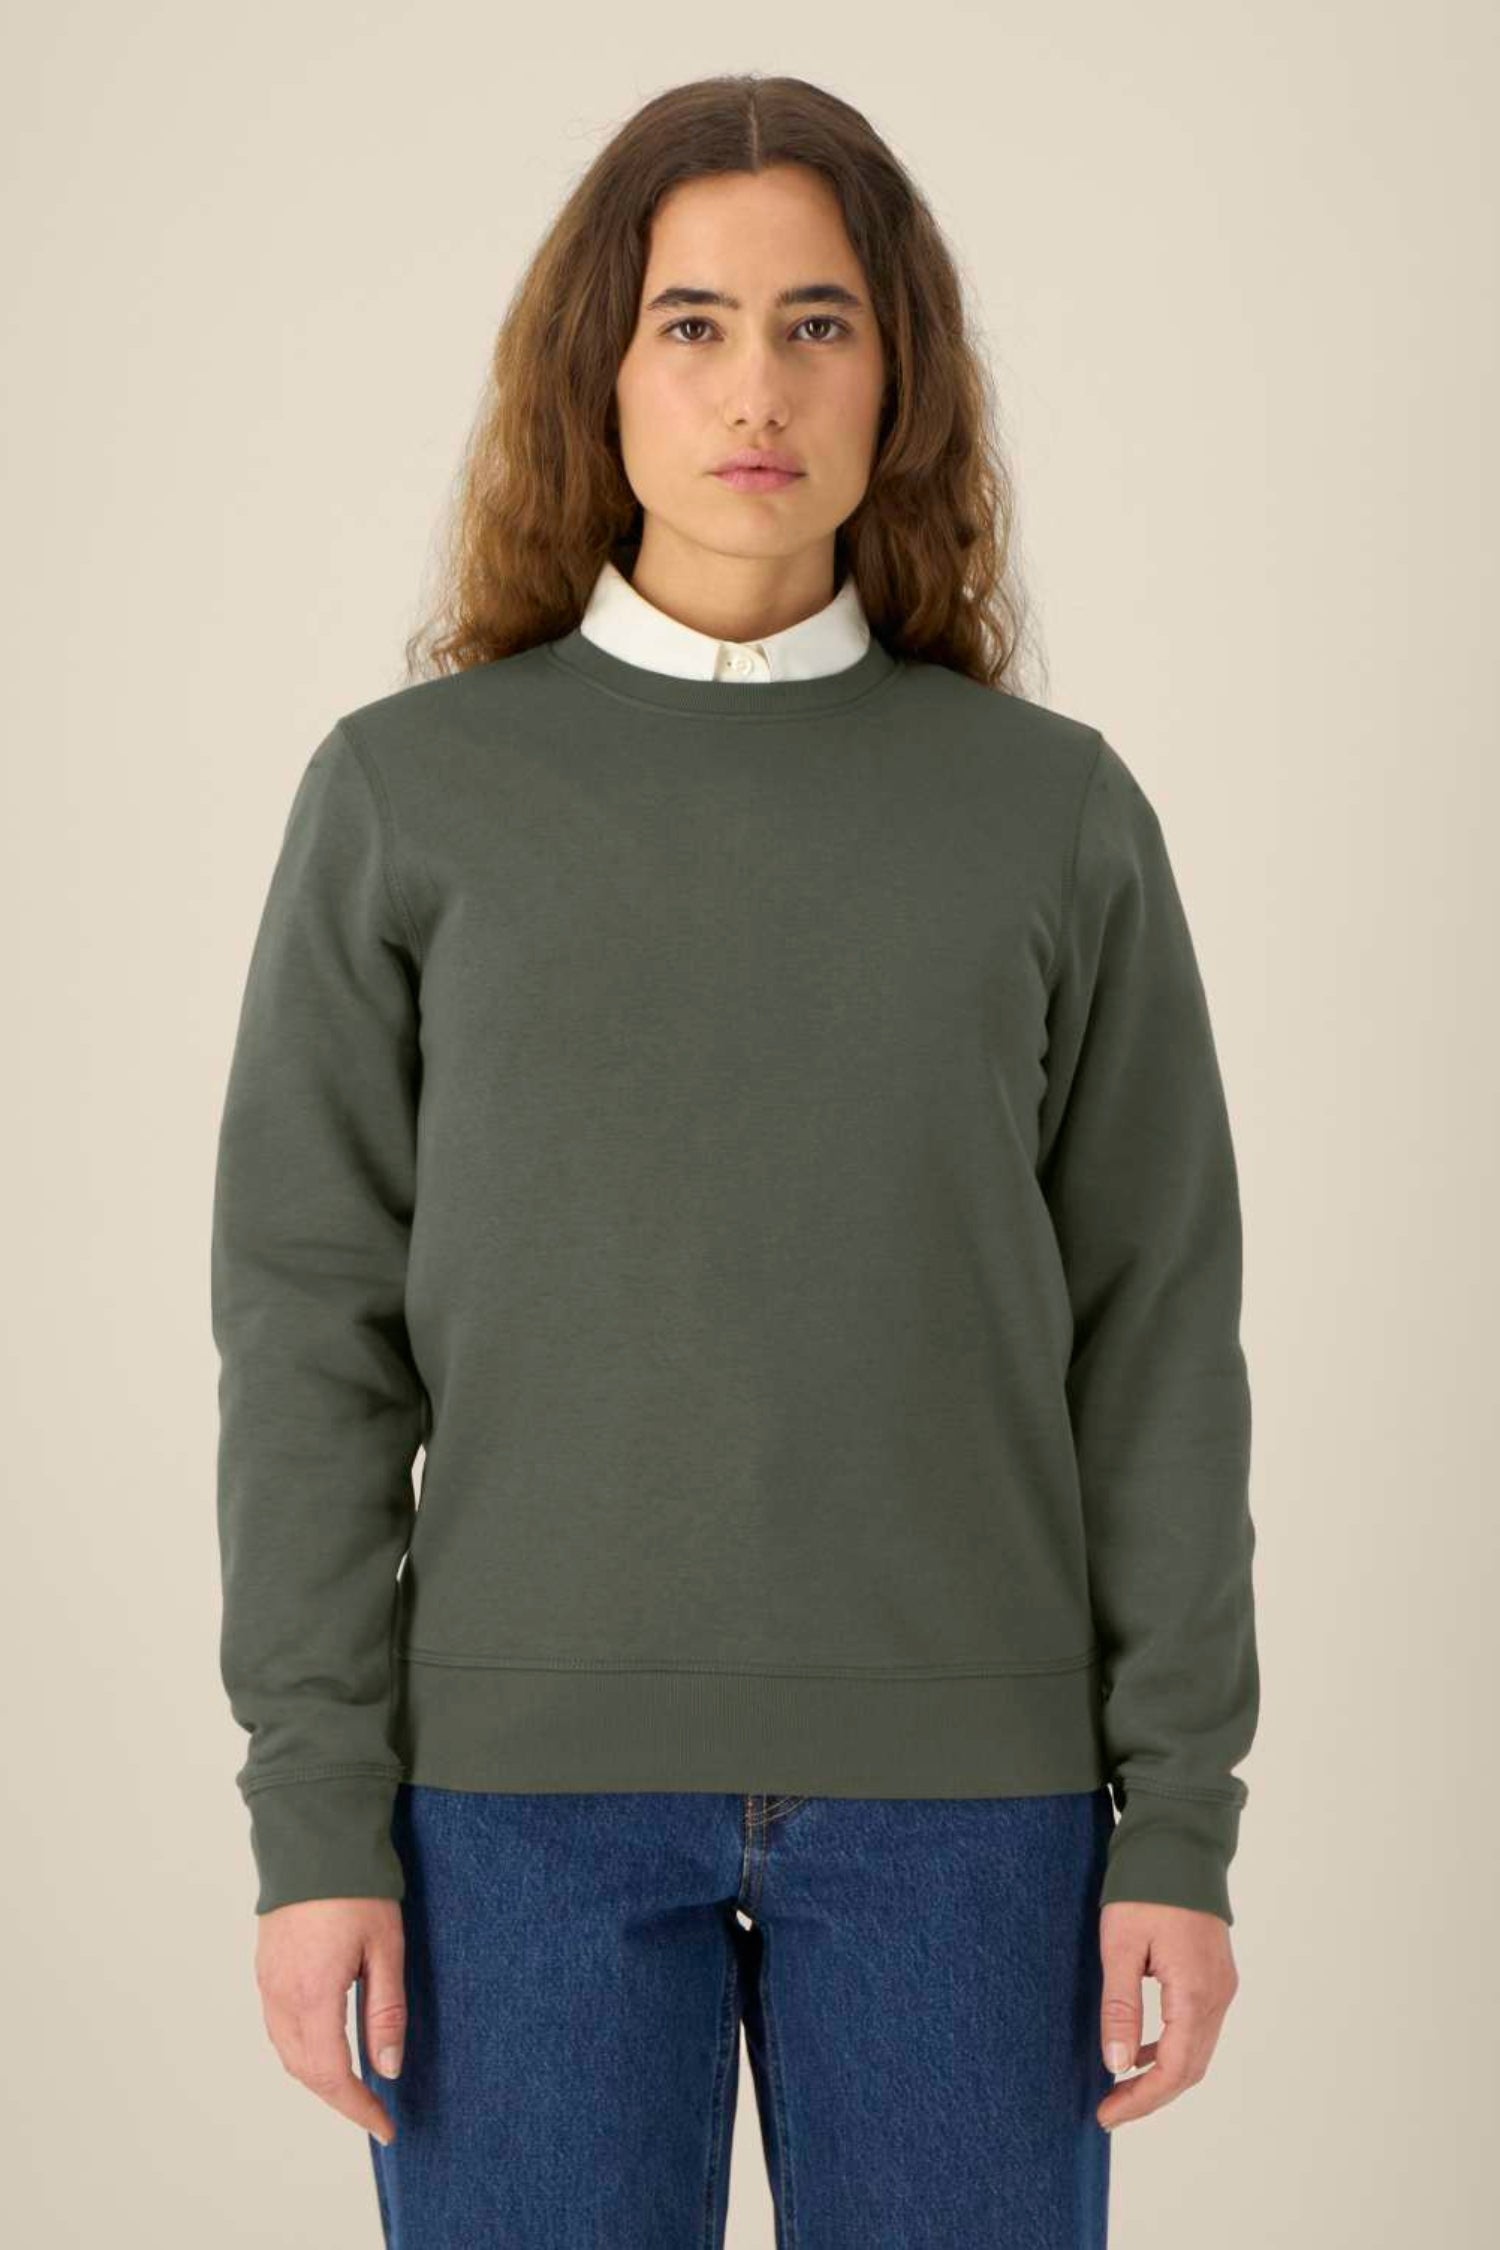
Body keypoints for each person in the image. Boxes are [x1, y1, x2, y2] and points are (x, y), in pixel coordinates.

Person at [210, 72, 1258, 2249]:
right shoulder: (409, 798)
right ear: (600, 373)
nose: (755, 388)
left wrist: (1176, 1820)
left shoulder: (1052, 816)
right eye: (691, 324)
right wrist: (316, 1818)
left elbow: (1158, 1335)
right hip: (510, 1816)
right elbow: (309, 1336)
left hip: (975, 1815)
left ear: (902, 377)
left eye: (817, 322)